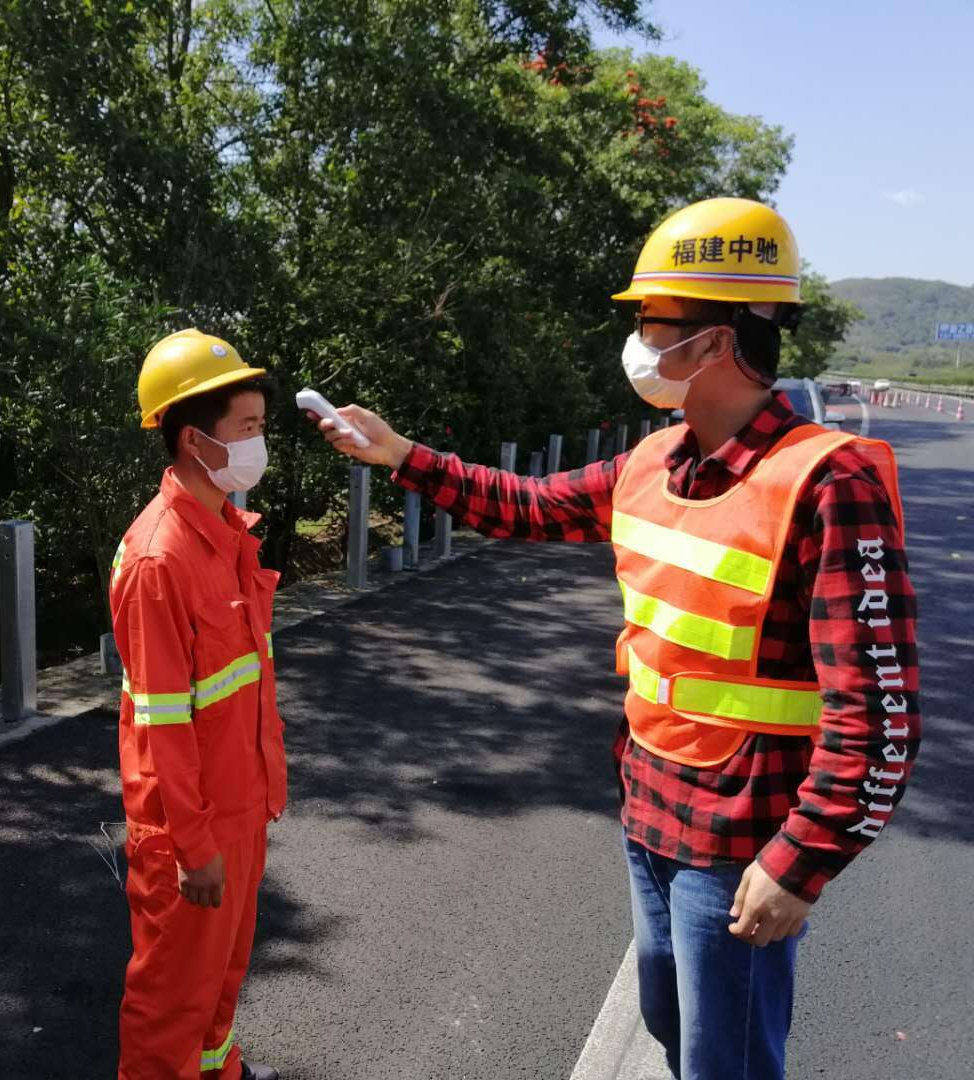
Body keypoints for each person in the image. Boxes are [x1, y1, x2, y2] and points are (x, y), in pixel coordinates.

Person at [311, 199, 920, 1080]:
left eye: (651, 321)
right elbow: (528, 506)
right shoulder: (653, 460)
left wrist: (801, 860)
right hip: (650, 809)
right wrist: (402, 454)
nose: (637, 341)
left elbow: (881, 714)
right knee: (674, 1035)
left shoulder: (828, 479)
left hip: (744, 836)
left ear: (713, 343)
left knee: (730, 1064)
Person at [111, 328, 285, 1080]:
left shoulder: (223, 533)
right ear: (193, 438)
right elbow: (161, 722)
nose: (259, 443)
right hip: (194, 824)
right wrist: (194, 845)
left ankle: (221, 1071)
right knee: (170, 999)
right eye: (247, 428)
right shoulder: (159, 558)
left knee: (222, 977)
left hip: (240, 804)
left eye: (260, 428)